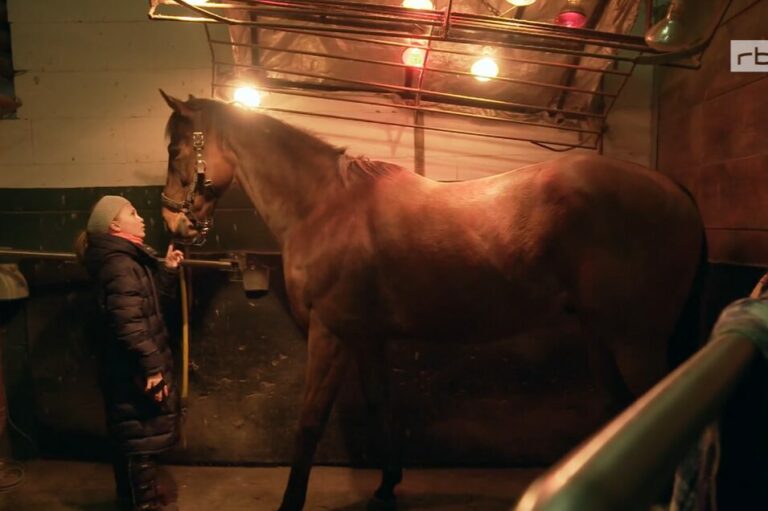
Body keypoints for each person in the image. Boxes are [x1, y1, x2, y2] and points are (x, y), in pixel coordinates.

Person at [74, 195, 184, 511]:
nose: (142, 218)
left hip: (127, 366)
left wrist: (168, 271)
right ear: (114, 225)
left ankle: (131, 499)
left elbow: (148, 306)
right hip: (130, 369)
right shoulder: (120, 264)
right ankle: (144, 505)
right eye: (132, 212)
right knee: (140, 443)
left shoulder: (129, 260)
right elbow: (129, 324)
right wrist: (151, 368)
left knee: (134, 439)